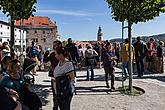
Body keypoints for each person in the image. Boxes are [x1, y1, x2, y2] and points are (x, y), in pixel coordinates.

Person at [43, 40, 62, 110]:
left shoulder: (65, 54)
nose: (53, 47)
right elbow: (45, 60)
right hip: (54, 77)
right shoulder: (52, 54)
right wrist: (46, 53)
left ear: (59, 45)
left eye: (55, 45)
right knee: (55, 94)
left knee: (62, 94)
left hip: (62, 77)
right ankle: (55, 107)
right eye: (53, 45)